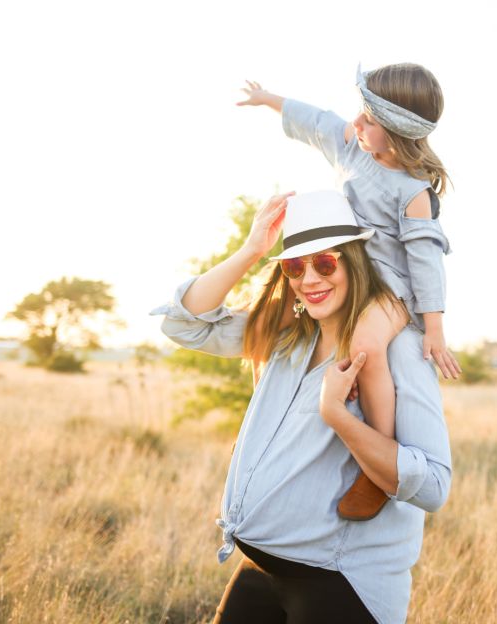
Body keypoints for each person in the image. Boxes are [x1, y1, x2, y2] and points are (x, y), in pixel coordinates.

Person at [151, 190, 452, 624]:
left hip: (339, 583)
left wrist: (336, 416)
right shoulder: (287, 334)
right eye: (295, 266)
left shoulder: (398, 348)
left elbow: (434, 486)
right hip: (262, 564)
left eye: (325, 263)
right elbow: (182, 324)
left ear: (355, 262)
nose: (309, 279)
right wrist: (252, 250)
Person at [237, 63, 460, 520]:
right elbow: (316, 121)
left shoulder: (413, 191)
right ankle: (266, 422)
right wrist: (268, 99)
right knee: (274, 322)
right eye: (361, 114)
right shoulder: (352, 149)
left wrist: (433, 327)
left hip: (390, 290)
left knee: (365, 345)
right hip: (347, 273)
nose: (356, 124)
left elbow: (425, 260)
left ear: (398, 133)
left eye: (370, 122)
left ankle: (375, 464)